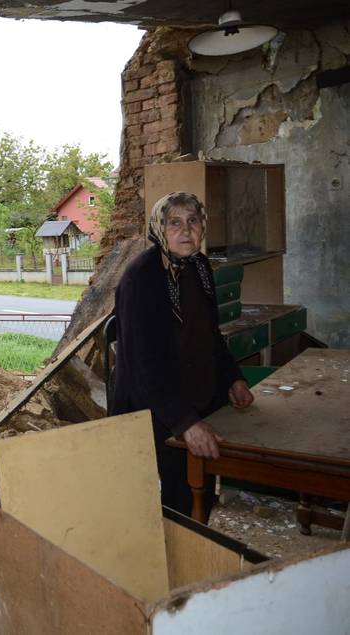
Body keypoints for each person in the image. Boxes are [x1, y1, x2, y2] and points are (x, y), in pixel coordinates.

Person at [111, 191, 254, 520]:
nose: (186, 230)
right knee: (176, 499)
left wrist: (233, 378)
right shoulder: (141, 278)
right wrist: (185, 423)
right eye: (174, 222)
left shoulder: (199, 267)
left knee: (202, 491)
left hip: (196, 394)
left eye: (193, 221)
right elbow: (143, 366)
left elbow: (210, 334)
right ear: (159, 228)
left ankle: (195, 536)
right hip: (155, 408)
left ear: (203, 225)